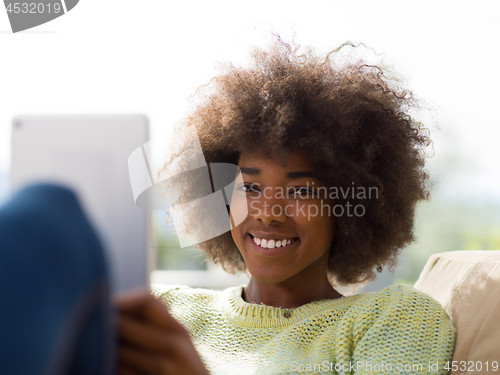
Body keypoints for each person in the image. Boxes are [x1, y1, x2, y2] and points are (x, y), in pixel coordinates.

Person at [116, 40, 455, 374]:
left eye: (301, 191)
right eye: (249, 187)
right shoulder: (162, 310)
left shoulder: (395, 317)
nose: (268, 213)